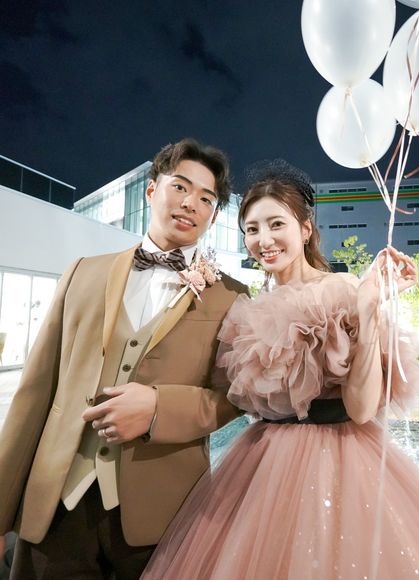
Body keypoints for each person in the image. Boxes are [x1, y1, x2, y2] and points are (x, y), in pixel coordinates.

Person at [142, 159, 419, 579]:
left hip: (341, 460)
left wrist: (367, 314)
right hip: (262, 465)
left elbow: (362, 409)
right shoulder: (249, 307)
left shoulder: (342, 289)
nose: (264, 240)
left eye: (276, 224)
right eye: (252, 229)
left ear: (305, 229)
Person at [0, 138, 247, 579]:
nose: (190, 203)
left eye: (206, 199)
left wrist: (158, 407)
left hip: (163, 512)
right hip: (57, 502)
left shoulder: (231, 296)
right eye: (180, 187)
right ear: (152, 191)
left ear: (213, 214)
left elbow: (232, 397)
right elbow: (34, 392)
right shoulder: (82, 272)